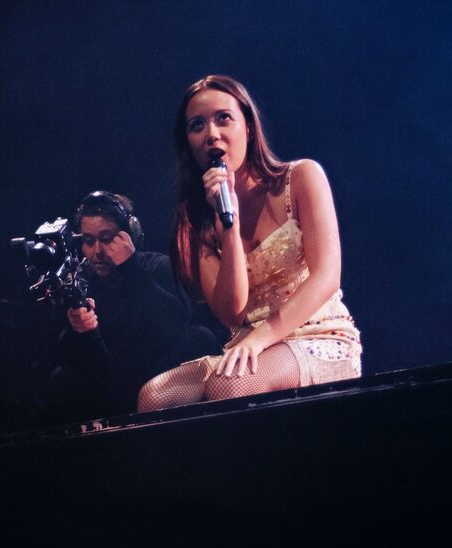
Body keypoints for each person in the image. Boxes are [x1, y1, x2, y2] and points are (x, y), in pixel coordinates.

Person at [136, 75, 362, 412]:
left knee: (230, 385)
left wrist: (261, 338)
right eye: (197, 125)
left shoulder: (301, 177)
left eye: (223, 118)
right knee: (154, 397)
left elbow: (327, 276)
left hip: (318, 335)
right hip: (248, 344)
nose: (212, 134)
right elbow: (233, 311)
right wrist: (228, 226)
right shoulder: (196, 223)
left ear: (249, 128)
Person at [46, 190, 220, 421]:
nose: (97, 251)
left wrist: (131, 268)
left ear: (130, 235)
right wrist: (78, 330)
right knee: (61, 379)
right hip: (109, 381)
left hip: (158, 374)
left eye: (107, 239)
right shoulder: (78, 280)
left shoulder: (156, 266)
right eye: (88, 241)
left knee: (200, 337)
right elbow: (61, 353)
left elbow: (176, 327)